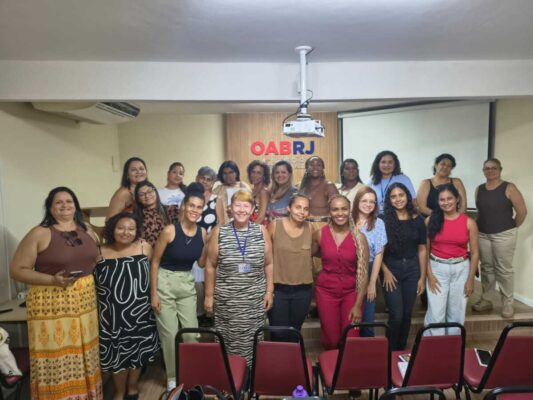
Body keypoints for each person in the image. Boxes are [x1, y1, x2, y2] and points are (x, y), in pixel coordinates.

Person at [9, 187, 103, 399]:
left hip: (85, 301)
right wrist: (52, 280)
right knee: (58, 356)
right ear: (50, 208)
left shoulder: (88, 230)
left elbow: (96, 260)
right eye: (58, 202)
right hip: (52, 302)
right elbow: (16, 270)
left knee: (86, 353)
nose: (64, 206)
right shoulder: (39, 233)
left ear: (76, 206)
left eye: (69, 201)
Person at [94, 212, 160, 400]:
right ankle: (119, 391)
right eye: (121, 228)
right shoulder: (98, 252)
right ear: (112, 229)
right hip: (111, 314)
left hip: (140, 311)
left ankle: (132, 387)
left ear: (137, 231)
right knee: (118, 355)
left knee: (138, 351)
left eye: (131, 229)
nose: (126, 232)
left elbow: (153, 274)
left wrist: (154, 295)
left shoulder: (145, 247)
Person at [204, 190, 274, 364]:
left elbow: (269, 264)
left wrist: (269, 292)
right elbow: (210, 265)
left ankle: (250, 375)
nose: (242, 210)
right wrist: (208, 296)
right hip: (227, 301)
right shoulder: (220, 232)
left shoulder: (261, 231)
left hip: (254, 301)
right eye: (237, 205)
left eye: (246, 206)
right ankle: (229, 374)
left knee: (253, 340)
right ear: (230, 208)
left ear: (252, 209)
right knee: (227, 340)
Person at [150, 183, 208, 391]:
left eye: (199, 207)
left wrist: (212, 245)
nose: (195, 210)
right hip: (164, 281)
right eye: (191, 205)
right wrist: (153, 294)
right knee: (170, 335)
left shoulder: (203, 233)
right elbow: (154, 262)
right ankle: (173, 378)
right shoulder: (169, 231)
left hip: (186, 282)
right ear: (183, 206)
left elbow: (201, 263)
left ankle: (192, 373)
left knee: (191, 334)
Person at [312, 195, 369, 349]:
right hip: (326, 292)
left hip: (351, 293)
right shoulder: (320, 234)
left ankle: (347, 365)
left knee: (351, 338)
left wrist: (358, 305)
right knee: (331, 339)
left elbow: (364, 274)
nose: (340, 213)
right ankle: (332, 364)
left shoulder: (360, 238)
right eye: (335, 209)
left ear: (350, 211)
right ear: (329, 212)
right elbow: (311, 254)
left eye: (344, 209)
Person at [472, 158, 527, 318]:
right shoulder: (479, 189)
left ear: (500, 169)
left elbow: (522, 212)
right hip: (483, 234)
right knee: (486, 268)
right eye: (487, 168)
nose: (490, 171)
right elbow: (481, 212)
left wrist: (510, 228)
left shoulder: (509, 187)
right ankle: (487, 299)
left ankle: (507, 303)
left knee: (504, 270)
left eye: (493, 168)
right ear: (483, 171)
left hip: (504, 235)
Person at [424, 184, 479, 335]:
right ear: (438, 201)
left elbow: (475, 253)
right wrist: (429, 275)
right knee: (436, 313)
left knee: (457, 312)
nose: (446, 202)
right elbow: (424, 251)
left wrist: (471, 279)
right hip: (437, 269)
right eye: (442, 199)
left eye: (449, 198)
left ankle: (453, 345)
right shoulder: (430, 221)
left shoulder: (469, 222)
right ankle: (434, 345)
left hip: (461, 269)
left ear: (457, 199)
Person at [382, 183, 427, 351]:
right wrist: (385, 272)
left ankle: (400, 351)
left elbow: (422, 249)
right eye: (393, 196)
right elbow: (377, 251)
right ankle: (389, 351)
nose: (398, 199)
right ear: (389, 200)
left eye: (401, 195)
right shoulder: (383, 220)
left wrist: (422, 277)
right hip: (390, 269)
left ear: (407, 196)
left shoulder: (418, 219)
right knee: (396, 315)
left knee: (407, 315)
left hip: (412, 270)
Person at [267, 194, 313, 341]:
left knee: (294, 334)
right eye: (298, 207)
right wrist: (268, 290)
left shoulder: (311, 228)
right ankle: (276, 357)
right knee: (278, 334)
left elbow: (316, 251)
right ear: (289, 208)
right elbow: (265, 257)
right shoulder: (275, 225)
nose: (302, 212)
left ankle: (293, 357)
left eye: (306, 209)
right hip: (278, 290)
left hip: (303, 290)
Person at [352, 186, 387, 337]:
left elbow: (379, 254)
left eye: (372, 201)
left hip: (370, 267)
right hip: (348, 267)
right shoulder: (347, 220)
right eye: (364, 200)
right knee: (350, 314)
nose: (368, 204)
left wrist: (372, 283)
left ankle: (367, 347)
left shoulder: (379, 223)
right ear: (357, 201)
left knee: (367, 317)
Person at [192, 166, 222, 325]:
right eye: (202, 178)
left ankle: (212, 315)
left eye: (209, 179)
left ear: (213, 183)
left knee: (211, 279)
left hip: (211, 244)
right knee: (195, 283)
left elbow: (222, 223)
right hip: (191, 244)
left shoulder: (217, 199)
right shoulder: (190, 198)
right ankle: (199, 315)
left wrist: (206, 239)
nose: (205, 181)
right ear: (197, 178)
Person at [134, 180, 180, 247]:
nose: (147, 196)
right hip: (148, 252)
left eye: (149, 191)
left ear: (155, 191)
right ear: (138, 199)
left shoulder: (172, 210)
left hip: (170, 250)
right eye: (142, 194)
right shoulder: (135, 217)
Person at [213, 160, 251, 224]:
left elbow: (250, 207)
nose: (228, 176)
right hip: (222, 225)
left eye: (231, 172)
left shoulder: (243, 186)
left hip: (241, 224)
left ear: (236, 173)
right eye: (225, 173)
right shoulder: (218, 189)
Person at [247, 160, 271, 226]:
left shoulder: (264, 191)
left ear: (264, 176)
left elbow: (261, 217)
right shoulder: (252, 190)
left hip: (260, 227)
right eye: (253, 172)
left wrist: (251, 231)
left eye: (259, 173)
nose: (255, 175)